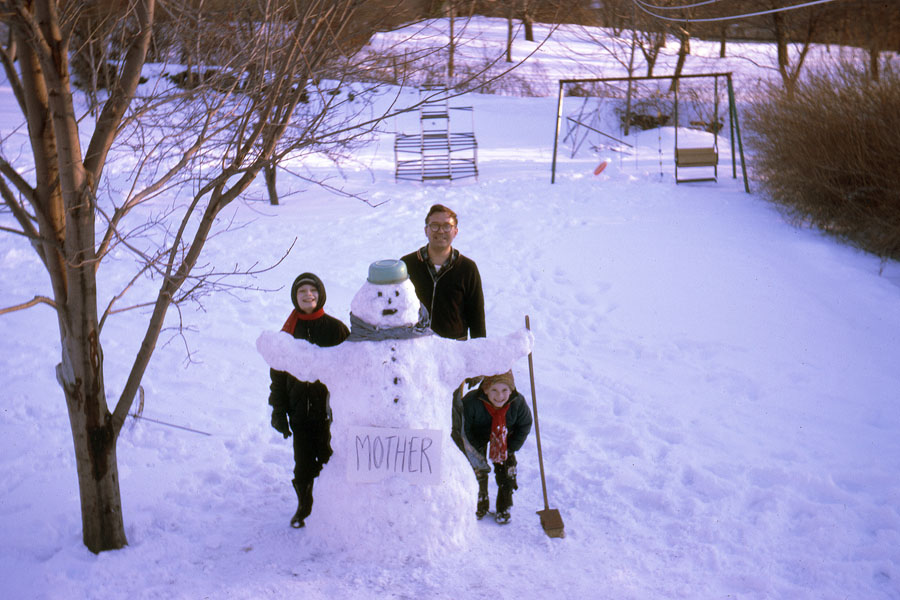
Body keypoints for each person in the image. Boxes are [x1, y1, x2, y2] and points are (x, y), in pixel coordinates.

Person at [400, 204, 486, 461]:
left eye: (446, 226)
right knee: (414, 409)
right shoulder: (406, 265)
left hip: (451, 354)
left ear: (455, 231)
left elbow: (477, 316)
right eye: (435, 226)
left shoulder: (467, 268)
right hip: (413, 351)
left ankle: (448, 467)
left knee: (450, 412)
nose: (440, 231)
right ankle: (416, 465)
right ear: (426, 229)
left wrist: (477, 359)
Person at [268, 272, 349, 528]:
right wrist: (279, 411)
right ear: (295, 297)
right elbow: (278, 376)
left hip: (329, 413)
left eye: (312, 290)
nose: (307, 295)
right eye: (302, 292)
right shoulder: (287, 333)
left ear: (320, 294)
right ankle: (305, 506)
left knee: (329, 460)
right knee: (303, 464)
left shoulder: (336, 329)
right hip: (299, 412)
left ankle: (333, 509)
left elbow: (350, 370)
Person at [462, 371, 533, 524]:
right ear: (486, 389)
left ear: (511, 390)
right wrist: (474, 449)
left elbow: (525, 424)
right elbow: (464, 428)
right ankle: (480, 502)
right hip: (477, 434)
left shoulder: (518, 403)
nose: (499, 396)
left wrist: (511, 448)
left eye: (504, 390)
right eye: (494, 390)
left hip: (504, 437)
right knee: (476, 468)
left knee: (507, 470)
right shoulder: (472, 402)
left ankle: (504, 506)